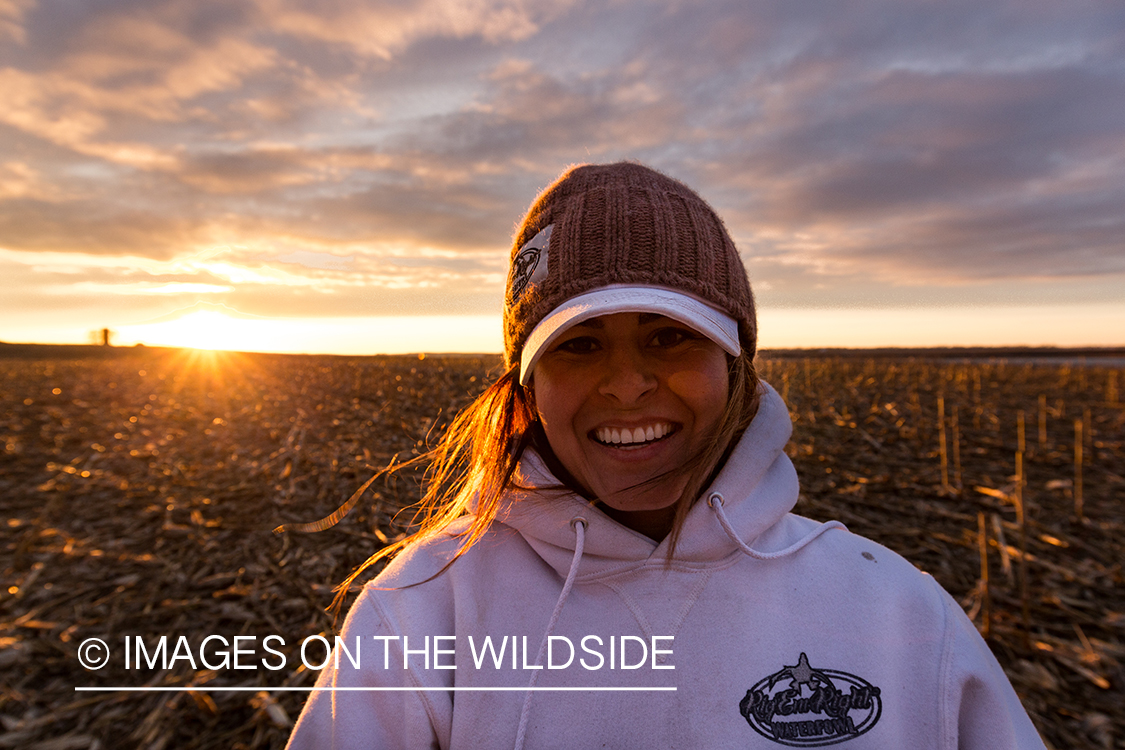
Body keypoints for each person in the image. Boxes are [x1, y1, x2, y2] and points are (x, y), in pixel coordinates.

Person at [286, 162, 1045, 749]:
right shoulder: (423, 611)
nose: (625, 386)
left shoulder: (892, 610)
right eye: (579, 347)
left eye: (668, 336)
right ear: (525, 389)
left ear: (736, 365)